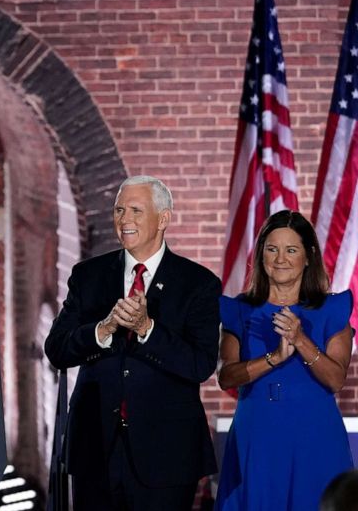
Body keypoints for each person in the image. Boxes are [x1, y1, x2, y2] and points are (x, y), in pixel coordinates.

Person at [44, 175, 221, 511]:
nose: (124, 220)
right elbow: (57, 349)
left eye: (136, 211)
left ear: (163, 219)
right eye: (119, 210)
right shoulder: (88, 275)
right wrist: (104, 328)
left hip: (166, 453)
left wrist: (147, 328)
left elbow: (199, 365)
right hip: (95, 448)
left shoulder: (198, 283)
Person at [216, 210, 353, 510]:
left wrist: (301, 339)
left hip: (314, 437)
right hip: (257, 437)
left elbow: (335, 379)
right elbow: (226, 376)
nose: (280, 259)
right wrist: (274, 358)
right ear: (261, 254)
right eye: (272, 249)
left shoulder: (332, 309)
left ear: (308, 256)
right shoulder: (240, 310)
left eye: (291, 250)